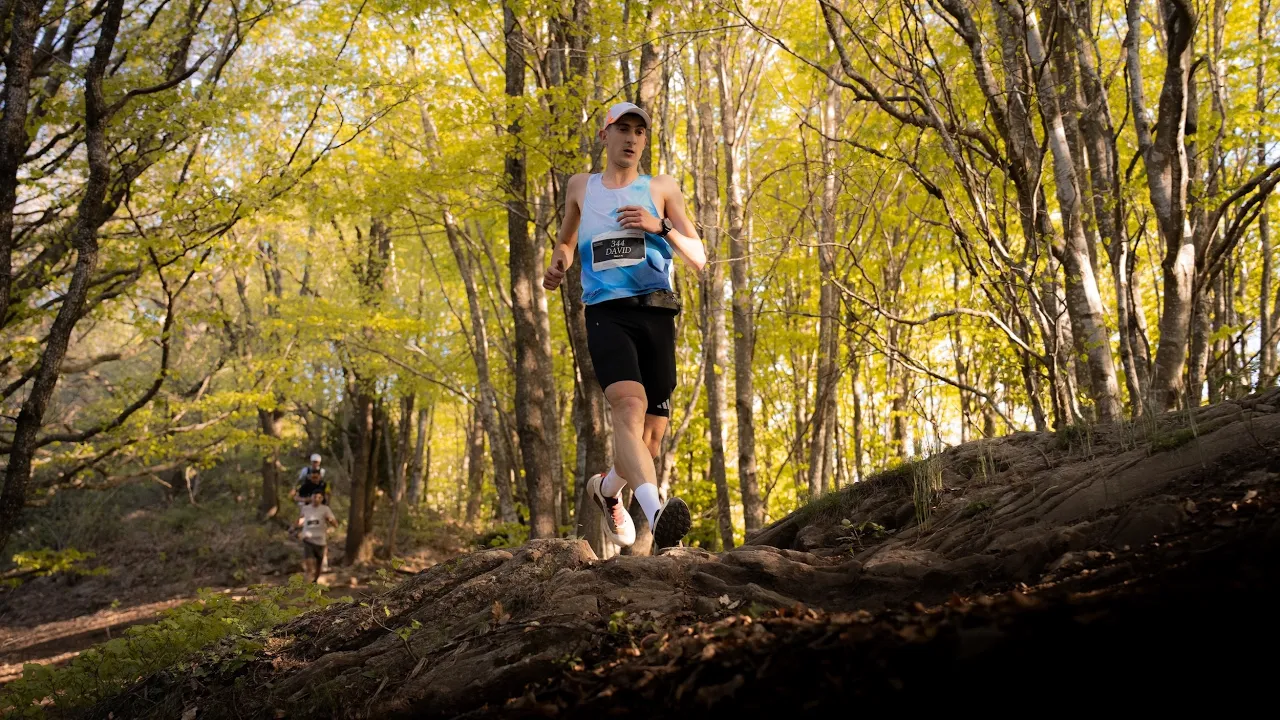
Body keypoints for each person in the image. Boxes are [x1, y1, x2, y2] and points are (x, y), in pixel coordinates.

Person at [542, 101, 706, 552]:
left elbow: (699, 257)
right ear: (605, 135)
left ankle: (607, 488)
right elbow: (566, 240)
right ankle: (657, 512)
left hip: (656, 311)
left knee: (649, 439)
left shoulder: (661, 187)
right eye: (623, 129)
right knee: (629, 407)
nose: (632, 138)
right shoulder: (581, 186)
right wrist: (559, 263)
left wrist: (660, 226)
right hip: (606, 312)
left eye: (640, 131)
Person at [297, 491, 338, 582]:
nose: (316, 499)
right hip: (308, 539)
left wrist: (330, 521)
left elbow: (335, 524)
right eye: (314, 497)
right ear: (311, 497)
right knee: (309, 564)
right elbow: (301, 519)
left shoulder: (325, 509)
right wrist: (297, 525)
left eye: (319, 497)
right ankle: (308, 583)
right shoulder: (305, 508)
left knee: (318, 564)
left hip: (320, 540)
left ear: (322, 499)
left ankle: (315, 581)